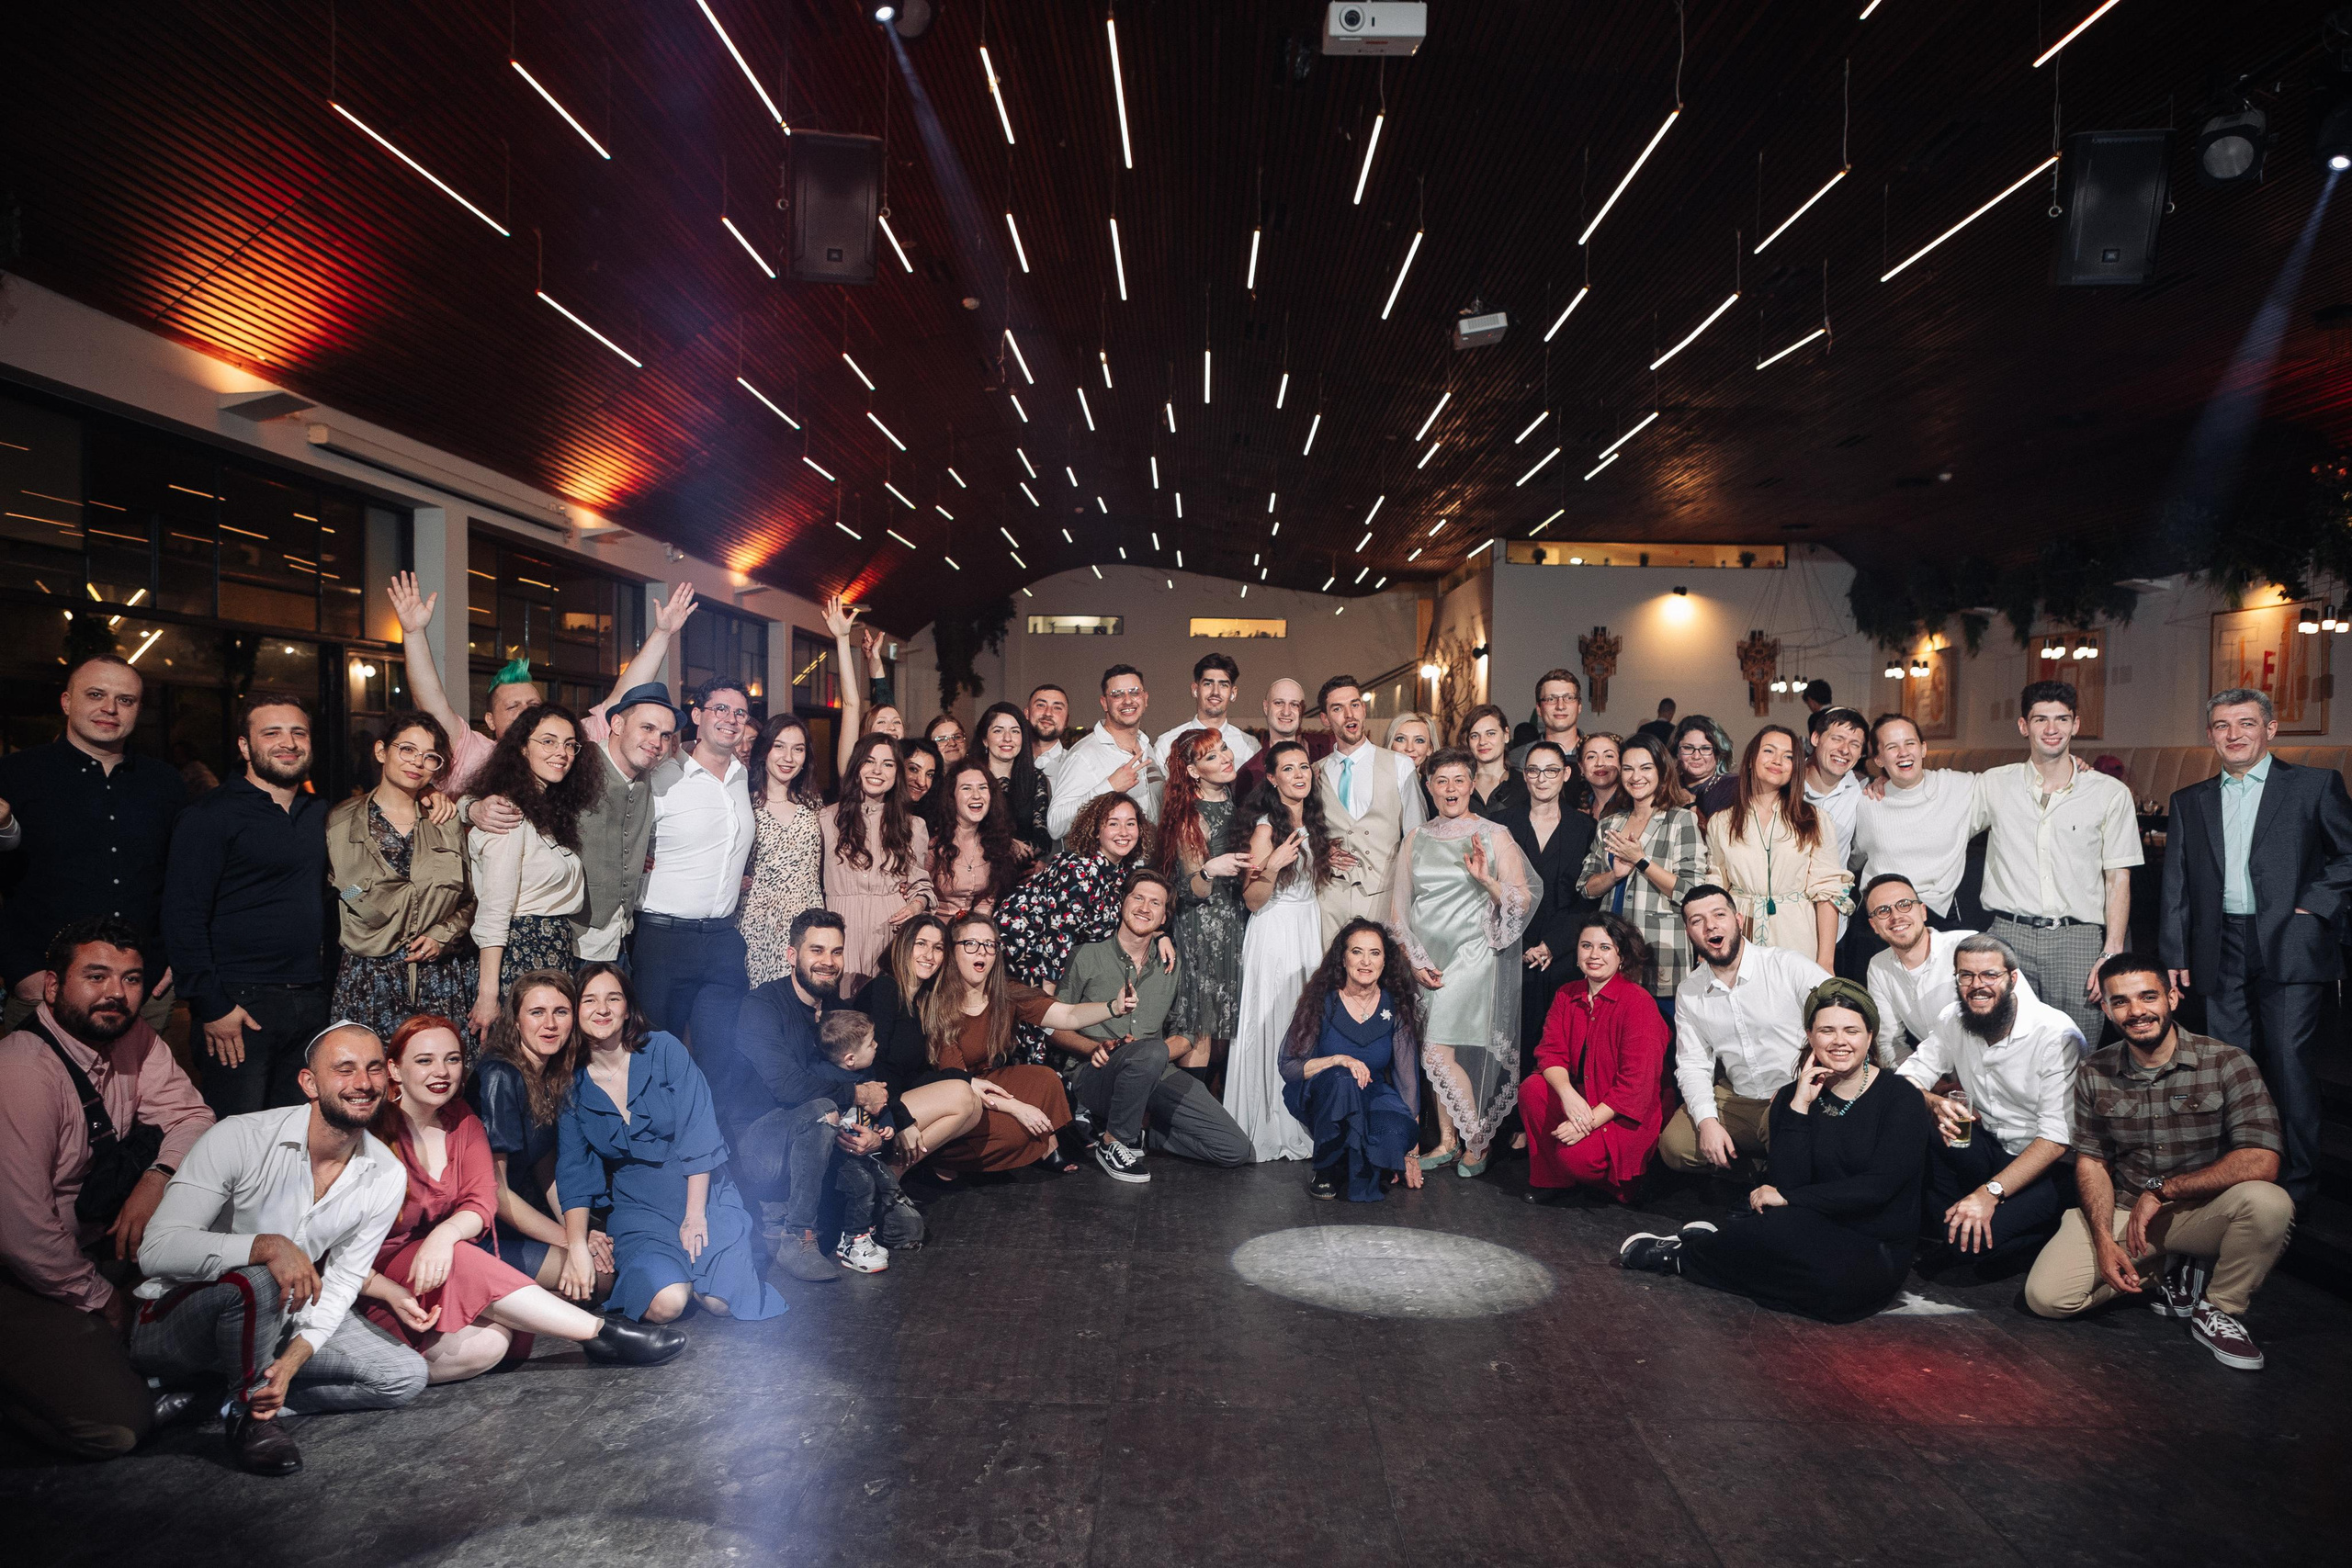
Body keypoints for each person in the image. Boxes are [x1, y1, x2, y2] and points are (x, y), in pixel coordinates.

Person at [131, 1022, 425, 1475]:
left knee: (403, 1377)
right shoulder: (240, 1137)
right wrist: (267, 1246)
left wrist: (292, 1362)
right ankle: (249, 1418)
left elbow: (345, 1280)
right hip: (180, 1322)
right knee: (262, 1278)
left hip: (284, 1319)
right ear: (310, 1083)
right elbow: (158, 1249)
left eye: (372, 1070)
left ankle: (223, 1401)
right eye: (344, 1070)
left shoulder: (385, 1174)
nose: (363, 1084)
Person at [356, 1015, 684, 1379]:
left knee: (495, 1344)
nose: (442, 1071)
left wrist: (443, 1234)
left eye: (452, 1059)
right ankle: (601, 1334)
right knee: (465, 1257)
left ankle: (381, 1371)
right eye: (425, 1060)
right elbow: (330, 1246)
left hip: (439, 1264)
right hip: (376, 1276)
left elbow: (482, 1198)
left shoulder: (461, 1119)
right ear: (394, 1069)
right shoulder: (369, 1129)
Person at [0, 919, 213, 1458]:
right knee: (116, 1429)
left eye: (132, 979)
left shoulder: (132, 1036)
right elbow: (21, 1233)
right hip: (23, 1273)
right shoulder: (22, 1070)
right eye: (96, 976)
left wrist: (156, 1179)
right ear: (53, 987)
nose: (116, 993)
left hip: (97, 1247)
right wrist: (101, 1301)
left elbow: (193, 1117)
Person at [2024, 954, 2292, 1371]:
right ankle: (2164, 1268)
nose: (2136, 1012)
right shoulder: (2095, 1070)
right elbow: (2092, 1161)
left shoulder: (2227, 1061)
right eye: (2121, 1002)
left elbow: (2261, 1159)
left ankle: (2218, 1309)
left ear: (2171, 997)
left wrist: (2164, 1190)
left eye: (2148, 997)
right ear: (2106, 1009)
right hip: (2128, 1212)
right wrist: (2102, 1237)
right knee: (2048, 1298)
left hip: (2202, 1212)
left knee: (2269, 1202)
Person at [1620, 977, 1934, 1324]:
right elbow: (1788, 1181)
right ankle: (1683, 1256)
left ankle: (1718, 1249)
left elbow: (1877, 1188)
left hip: (1875, 1240)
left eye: (1852, 1031)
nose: (1840, 1041)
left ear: (1870, 1036)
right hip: (1806, 1226)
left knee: (1837, 1295)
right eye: (1827, 1030)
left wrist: (1791, 1200)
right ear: (1810, 1036)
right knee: (1775, 1233)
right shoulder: (1790, 1096)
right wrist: (1800, 1107)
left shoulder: (1900, 1098)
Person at [2158, 687, 2352, 1206]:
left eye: (2246, 723)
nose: (2234, 734)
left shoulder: (2314, 785)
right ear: (2210, 735)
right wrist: (2175, 954)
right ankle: (2240, 1174)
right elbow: (2175, 883)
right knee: (2232, 1069)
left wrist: (2314, 903)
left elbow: (2348, 857)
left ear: (2270, 729)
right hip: (2217, 947)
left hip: (2290, 944)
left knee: (2289, 1065)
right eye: (2222, 725)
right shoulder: (2190, 800)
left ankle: (2298, 1187)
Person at [451, 581, 696, 969]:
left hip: (620, 938)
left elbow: (626, 696)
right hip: (565, 941)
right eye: (647, 729)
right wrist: (470, 807)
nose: (559, 751)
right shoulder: (573, 761)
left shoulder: (601, 755)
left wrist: (664, 633)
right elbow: (622, 701)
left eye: (664, 734)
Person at [561, 963, 786, 1324]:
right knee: (668, 1305)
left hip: (701, 1192)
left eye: (613, 998)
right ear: (575, 1010)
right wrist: (576, 1246)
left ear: (627, 1007)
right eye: (589, 1000)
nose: (602, 1009)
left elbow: (699, 1131)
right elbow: (573, 1170)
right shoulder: (571, 1082)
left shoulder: (663, 1049)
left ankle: (701, 1274)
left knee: (721, 1303)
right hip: (639, 1208)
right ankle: (679, 1275)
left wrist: (695, 1215)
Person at [162, 694, 331, 1116]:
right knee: (236, 1140)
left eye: (298, 733)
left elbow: (338, 888)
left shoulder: (321, 814)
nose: (287, 743)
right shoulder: (210, 815)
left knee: (296, 1134)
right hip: (240, 1004)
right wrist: (212, 1005)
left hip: (312, 1001)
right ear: (244, 746)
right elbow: (183, 914)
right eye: (271, 733)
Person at [0, 654, 185, 1035]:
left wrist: (176, 959)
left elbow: (183, 881)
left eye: (126, 700)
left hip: (142, 994)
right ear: (67, 702)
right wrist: (17, 970)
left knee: (138, 1097)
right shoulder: (16, 776)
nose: (110, 709)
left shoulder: (165, 783)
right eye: (96, 694)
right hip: (46, 990)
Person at [1392, 747, 1539, 1177]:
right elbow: (1399, 911)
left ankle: (1477, 1140)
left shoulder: (1495, 835)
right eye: (1442, 781)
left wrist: (1486, 879)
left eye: (1459, 780)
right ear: (1429, 787)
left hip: (1473, 954)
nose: (1451, 789)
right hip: (1426, 957)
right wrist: (1415, 959)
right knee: (1436, 1047)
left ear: (1472, 785)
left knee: (1436, 1051)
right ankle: (1446, 1140)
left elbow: (1521, 900)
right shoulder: (1415, 839)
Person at [1048, 871, 1253, 1179]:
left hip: (1156, 1069)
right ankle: (1115, 1141)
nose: (1145, 907)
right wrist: (1094, 1048)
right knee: (1146, 1053)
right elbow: (1054, 1027)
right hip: (1097, 1073)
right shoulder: (1087, 955)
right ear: (1122, 903)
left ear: (1163, 918)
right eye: (1138, 898)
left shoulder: (1173, 967)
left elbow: (1185, 1035)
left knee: (1235, 1149)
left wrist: (1148, 1054)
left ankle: (1146, 1136)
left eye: (1155, 903)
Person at [1895, 935, 2079, 1278]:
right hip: (1989, 1148)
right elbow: (1905, 1080)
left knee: (1962, 1255)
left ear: (2012, 978)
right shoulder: (1953, 1017)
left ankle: (2053, 1232)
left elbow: (2056, 1140)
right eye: (1966, 976)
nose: (1977, 986)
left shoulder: (2056, 1034)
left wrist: (1989, 1194)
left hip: (2048, 1168)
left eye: (1989, 975)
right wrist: (1934, 1102)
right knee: (1914, 1120)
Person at [1975, 680, 2142, 1043]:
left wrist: (2111, 951)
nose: (2052, 729)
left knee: (2077, 1050)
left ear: (2075, 724)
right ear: (2024, 726)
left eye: (2062, 719)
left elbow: (2118, 879)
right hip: (2008, 934)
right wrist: (1881, 784)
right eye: (2040, 720)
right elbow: (1939, 812)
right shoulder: (1993, 784)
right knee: (2004, 1046)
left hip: (2078, 939)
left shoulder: (2109, 793)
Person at [728, 911, 879, 1281]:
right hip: (755, 1147)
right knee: (822, 1109)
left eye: (837, 952)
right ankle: (798, 1237)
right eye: (817, 950)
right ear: (791, 954)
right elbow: (788, 1086)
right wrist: (856, 1095)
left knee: (902, 1225)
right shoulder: (762, 1006)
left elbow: (862, 1074)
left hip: (815, 1141)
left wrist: (873, 1128)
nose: (828, 961)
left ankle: (844, 1226)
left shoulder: (835, 1012)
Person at [924, 912, 1139, 1173]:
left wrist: (1113, 1007)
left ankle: (1040, 1143)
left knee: (1045, 1079)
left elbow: (1066, 1014)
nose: (981, 952)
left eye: (989, 945)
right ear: (953, 950)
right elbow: (958, 1081)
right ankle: (940, 1161)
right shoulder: (938, 1002)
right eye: (970, 944)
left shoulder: (1005, 993)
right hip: (953, 1097)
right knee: (1015, 1132)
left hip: (986, 1082)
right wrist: (1018, 1108)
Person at [326, 713, 476, 1047]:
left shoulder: (445, 821)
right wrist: (363, 901)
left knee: (437, 1083)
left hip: (435, 977)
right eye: (407, 750)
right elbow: (336, 887)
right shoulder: (343, 821)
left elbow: (469, 898)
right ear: (382, 751)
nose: (417, 763)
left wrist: (442, 933)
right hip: (369, 976)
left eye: (430, 757)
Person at [1659, 886, 1830, 1175]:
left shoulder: (1787, 965)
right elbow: (1693, 1065)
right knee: (1675, 1146)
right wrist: (1708, 1123)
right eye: (1697, 920)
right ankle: (1751, 1168)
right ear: (1689, 932)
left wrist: (1805, 1085)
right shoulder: (1689, 991)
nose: (1710, 925)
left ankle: (1776, 1174)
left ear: (1738, 920)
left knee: (1791, 1143)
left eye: (1719, 914)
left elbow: (1840, 1021)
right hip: (1738, 1097)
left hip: (1797, 1092)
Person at [636, 678, 758, 1059]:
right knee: (656, 1053)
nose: (731, 719)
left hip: (722, 940)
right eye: (720, 709)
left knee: (723, 1056)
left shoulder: (743, 778)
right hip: (663, 940)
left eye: (740, 712)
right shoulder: (662, 778)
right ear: (696, 716)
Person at [471, 972, 612, 1298]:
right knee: (599, 1278)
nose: (550, 1023)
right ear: (516, 1021)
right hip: (484, 1231)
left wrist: (577, 1231)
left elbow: (545, 1167)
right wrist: (572, 1241)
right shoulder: (500, 1077)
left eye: (560, 1012)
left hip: (522, 1219)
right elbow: (497, 1194)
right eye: (537, 1012)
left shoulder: (550, 1075)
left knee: (604, 1260)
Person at [1227, 740, 1334, 1162]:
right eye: (1288, 769)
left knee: (1305, 1022)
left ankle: (1304, 1115)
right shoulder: (1266, 828)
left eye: (1304, 766)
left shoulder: (1311, 820)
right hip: (1275, 933)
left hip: (1306, 929)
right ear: (1272, 778)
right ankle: (1272, 1120)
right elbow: (1253, 899)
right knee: (1276, 1019)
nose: (1299, 774)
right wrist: (1271, 864)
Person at [997, 793, 1161, 1065]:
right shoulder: (1077, 869)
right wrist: (1048, 1007)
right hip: (1022, 961)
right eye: (1113, 824)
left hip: (1057, 966)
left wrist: (1161, 935)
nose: (1124, 832)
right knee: (1038, 1049)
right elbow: (1055, 943)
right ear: (1096, 830)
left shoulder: (1120, 872)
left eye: (1130, 823)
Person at [465, 705, 597, 1038]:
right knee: (519, 1066)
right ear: (522, 747)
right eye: (549, 742)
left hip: (551, 950)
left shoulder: (546, 811)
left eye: (570, 744)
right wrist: (488, 995)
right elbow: (494, 912)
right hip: (519, 954)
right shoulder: (507, 814)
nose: (562, 753)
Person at [1520, 912, 1668, 1204]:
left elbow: (1636, 1086)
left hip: (1623, 1113)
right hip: (1584, 1101)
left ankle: (1615, 1184)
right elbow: (1550, 1053)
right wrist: (1567, 1096)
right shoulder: (1567, 995)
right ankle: (1556, 1181)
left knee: (1575, 1157)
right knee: (1532, 1089)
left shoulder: (1638, 1003)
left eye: (1605, 947)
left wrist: (1584, 1123)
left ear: (1621, 957)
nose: (1594, 955)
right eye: (1586, 946)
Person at [1281, 920, 1430, 1201]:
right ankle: (1325, 1167)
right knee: (1343, 1080)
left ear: (1385, 960)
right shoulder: (1320, 1001)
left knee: (1394, 1134)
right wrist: (1337, 1060)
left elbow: (1407, 1080)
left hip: (1372, 1094)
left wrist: (1410, 1153)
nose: (1365, 961)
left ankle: (1361, 1161)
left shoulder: (1394, 1006)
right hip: (1327, 1092)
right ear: (1343, 958)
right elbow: (1289, 1065)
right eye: (1357, 952)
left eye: (1374, 953)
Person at [849, 917, 988, 1190]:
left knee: (972, 1103)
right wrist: (901, 1119)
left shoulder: (918, 1003)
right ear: (903, 946)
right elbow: (871, 1068)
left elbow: (916, 1074)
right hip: (871, 1105)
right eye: (921, 944)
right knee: (961, 1097)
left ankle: (890, 1177)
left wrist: (967, 1079)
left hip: (896, 1100)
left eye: (937, 948)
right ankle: (885, 1182)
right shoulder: (885, 990)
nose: (929, 955)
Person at [1578, 733, 1708, 1026]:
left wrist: (1642, 860)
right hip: (1612, 954)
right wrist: (1614, 875)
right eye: (1628, 768)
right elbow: (1585, 887)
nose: (1636, 776)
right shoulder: (1610, 823)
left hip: (1660, 953)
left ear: (1662, 771)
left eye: (1645, 767)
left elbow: (1693, 893)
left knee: (1663, 1048)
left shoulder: (1680, 820)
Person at [1704, 725, 1850, 969]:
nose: (1777, 761)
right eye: (1769, 751)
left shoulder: (1815, 819)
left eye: (1788, 756)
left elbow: (1827, 893)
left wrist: (1826, 960)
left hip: (1796, 932)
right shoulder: (1722, 822)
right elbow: (1716, 887)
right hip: (1739, 933)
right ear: (1752, 759)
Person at [387, 569, 542, 795]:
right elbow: (431, 701)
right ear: (490, 720)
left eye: (534, 706)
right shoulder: (475, 753)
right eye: (513, 706)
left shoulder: (562, 757)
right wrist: (414, 633)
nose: (526, 712)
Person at [1491, 741, 1599, 1066]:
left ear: (1565, 774)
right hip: (1512, 949)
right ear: (1524, 776)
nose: (1542, 778)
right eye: (1533, 771)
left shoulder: (1585, 828)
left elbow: (1587, 899)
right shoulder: (1502, 825)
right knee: (1511, 1047)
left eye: (1551, 770)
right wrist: (1521, 943)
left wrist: (1551, 945)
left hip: (1564, 951)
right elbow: (1491, 893)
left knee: (1559, 1046)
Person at [1155, 728, 1250, 1089]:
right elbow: (1189, 886)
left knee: (1225, 1031)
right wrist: (1212, 868)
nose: (1225, 757)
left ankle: (1212, 1121)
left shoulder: (1230, 797)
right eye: (1211, 756)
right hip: (1202, 929)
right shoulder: (1190, 815)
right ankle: (1176, 1120)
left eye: (1223, 748)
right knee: (1202, 1028)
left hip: (1234, 923)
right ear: (1194, 771)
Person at [1314, 673, 1425, 944]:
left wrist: (1406, 901)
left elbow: (1416, 837)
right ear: (1325, 719)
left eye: (1355, 704)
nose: (1349, 714)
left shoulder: (1400, 765)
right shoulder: (1315, 772)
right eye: (1337, 709)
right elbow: (1305, 831)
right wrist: (1321, 851)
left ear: (1364, 709)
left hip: (1384, 897)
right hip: (1329, 899)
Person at [1851, 712, 1981, 941]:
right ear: (1879, 759)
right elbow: (1853, 859)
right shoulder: (1867, 802)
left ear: (1922, 748)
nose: (1903, 753)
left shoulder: (1958, 787)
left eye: (1910, 743)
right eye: (1892, 747)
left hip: (1940, 913)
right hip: (1881, 916)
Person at [822, 732, 934, 990]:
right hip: (840, 932)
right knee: (841, 1017)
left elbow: (921, 884)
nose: (877, 771)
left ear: (897, 774)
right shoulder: (826, 819)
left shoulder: (913, 826)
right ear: (856, 767)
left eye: (888, 764)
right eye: (869, 761)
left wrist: (915, 906)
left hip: (890, 932)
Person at [738, 713, 826, 987]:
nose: (788, 757)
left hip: (806, 923)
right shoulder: (743, 803)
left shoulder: (813, 803)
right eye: (779, 746)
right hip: (757, 923)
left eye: (798, 749)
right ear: (764, 751)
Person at [815, 1012, 904, 1273]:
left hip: (865, 1154)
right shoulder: (823, 1079)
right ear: (850, 1058)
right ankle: (854, 1241)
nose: (876, 1046)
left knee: (887, 1190)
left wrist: (888, 1125)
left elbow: (880, 1106)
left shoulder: (867, 1074)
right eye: (870, 1043)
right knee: (861, 1187)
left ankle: (868, 1229)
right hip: (837, 1158)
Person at [1860, 874, 1978, 1064]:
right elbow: (1890, 1043)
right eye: (1883, 911)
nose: (1896, 916)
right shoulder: (1879, 967)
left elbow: (2018, 1019)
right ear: (1874, 925)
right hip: (1936, 1077)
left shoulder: (1968, 945)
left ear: (1923, 911)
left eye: (1904, 904)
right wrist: (1927, 1083)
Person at [1047, 664, 1162, 837]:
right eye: (1117, 695)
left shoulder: (1147, 746)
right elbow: (1055, 825)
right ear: (1104, 703)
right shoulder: (1084, 754)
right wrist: (1109, 787)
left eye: (1134, 692)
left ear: (1145, 699)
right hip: (1108, 863)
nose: (1128, 700)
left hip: (1153, 862)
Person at [932, 758, 1025, 919]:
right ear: (952, 797)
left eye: (982, 788)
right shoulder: (934, 844)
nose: (976, 795)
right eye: (967, 788)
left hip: (970, 935)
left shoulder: (994, 842)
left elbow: (986, 901)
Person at [1151, 653, 1261, 774]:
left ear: (1233, 693)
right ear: (1195, 690)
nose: (1215, 692)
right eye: (1208, 684)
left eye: (1223, 685)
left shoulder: (1249, 747)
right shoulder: (1168, 744)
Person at [977, 700, 1056, 856]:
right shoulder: (969, 777)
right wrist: (1007, 845)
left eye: (1015, 731)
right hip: (976, 866)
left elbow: (1043, 838)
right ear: (985, 739)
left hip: (1023, 870)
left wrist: (1022, 850)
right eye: (998, 731)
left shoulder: (1036, 778)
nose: (1007, 738)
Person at [1803, 707, 1870, 876]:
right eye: (1837, 739)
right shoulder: (1786, 782)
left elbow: (1861, 851)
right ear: (1816, 738)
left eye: (1855, 744)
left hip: (1833, 894)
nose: (1845, 750)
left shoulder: (1863, 789)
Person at [1235, 676, 1322, 798]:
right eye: (1279, 703)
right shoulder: (1250, 773)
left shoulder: (1321, 759)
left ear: (1302, 710)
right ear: (1266, 707)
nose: (1286, 712)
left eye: (1294, 704)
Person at [1506, 668, 1585, 772]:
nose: (1560, 706)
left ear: (1579, 706)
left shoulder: (1600, 755)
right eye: (1551, 699)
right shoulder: (1516, 759)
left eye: (1569, 698)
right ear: (1539, 709)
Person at [1457, 703, 1527, 818]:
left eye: (1490, 734)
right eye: (1475, 736)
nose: (1482, 742)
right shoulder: (1457, 785)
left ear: (1506, 735)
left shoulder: (1524, 784)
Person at [1670, 714, 1742, 824]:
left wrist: (1692, 807)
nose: (1696, 756)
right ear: (1677, 752)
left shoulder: (1733, 786)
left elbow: (1722, 836)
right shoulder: (1669, 786)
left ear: (1719, 753)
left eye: (1705, 749)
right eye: (1688, 748)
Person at [1572, 732, 1625, 819]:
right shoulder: (1578, 809)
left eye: (1608, 756)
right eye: (1591, 757)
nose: (1600, 763)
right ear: (1581, 767)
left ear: (1621, 763)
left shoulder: (1632, 807)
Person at [1025, 682, 1071, 778]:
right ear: (1027, 713)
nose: (1048, 713)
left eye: (1057, 708)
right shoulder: (1009, 759)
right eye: (1041, 705)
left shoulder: (1074, 765)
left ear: (1067, 720)